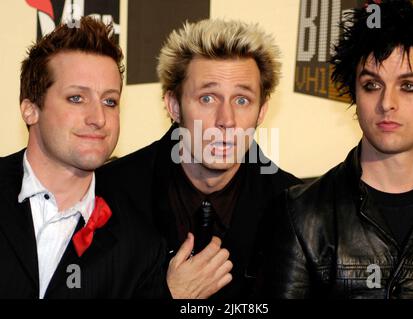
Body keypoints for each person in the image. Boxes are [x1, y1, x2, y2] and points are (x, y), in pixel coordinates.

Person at [97, 18, 300, 298]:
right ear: (174, 106)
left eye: (242, 100)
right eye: (207, 98)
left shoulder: (294, 209)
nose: (226, 120)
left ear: (262, 111)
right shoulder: (109, 194)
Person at [260, 0, 413, 299]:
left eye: (409, 86)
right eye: (372, 85)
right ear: (355, 95)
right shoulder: (302, 215)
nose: (387, 103)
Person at [0, 17, 170, 299]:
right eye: (77, 98)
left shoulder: (140, 245)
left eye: (109, 101)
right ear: (30, 109)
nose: (99, 118)